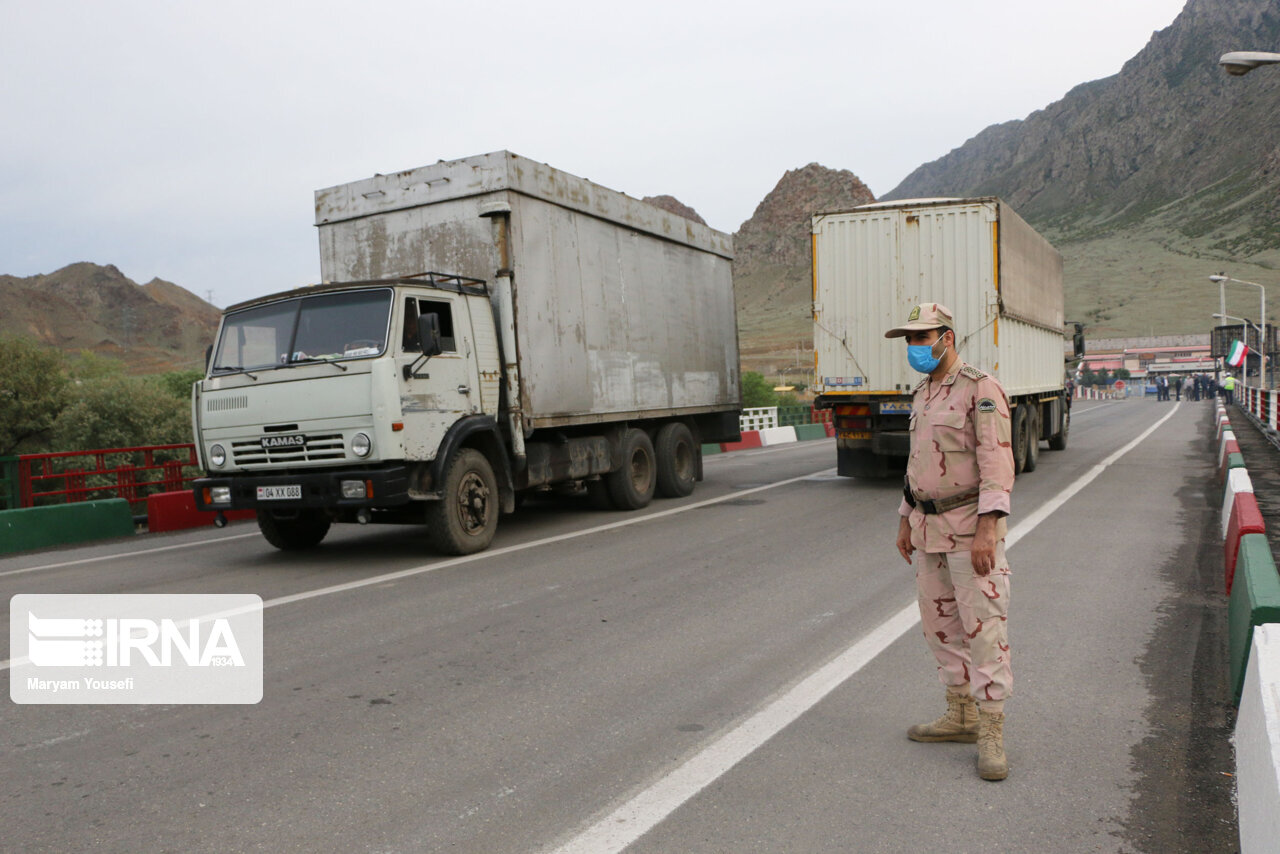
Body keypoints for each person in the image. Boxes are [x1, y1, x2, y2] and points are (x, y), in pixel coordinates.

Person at [888, 302, 1015, 782]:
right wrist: (904, 519)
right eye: (910, 340)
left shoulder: (980, 389)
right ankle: (960, 714)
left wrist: (988, 528)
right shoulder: (922, 393)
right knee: (940, 625)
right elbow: (917, 464)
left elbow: (997, 463)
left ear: (947, 336)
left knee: (984, 629)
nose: (914, 347)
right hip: (927, 529)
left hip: (968, 529)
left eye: (922, 338)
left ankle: (991, 730)